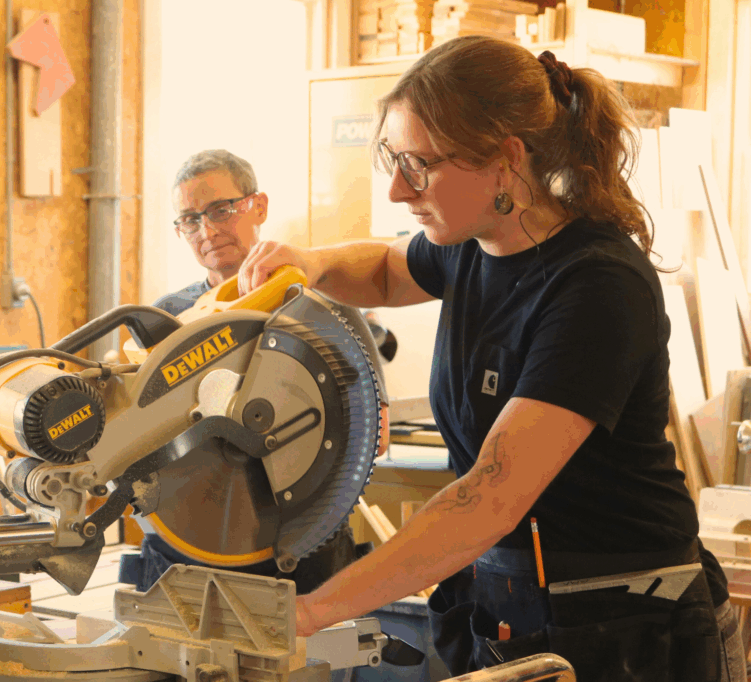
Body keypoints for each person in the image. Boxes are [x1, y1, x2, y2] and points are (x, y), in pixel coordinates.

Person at [236, 37, 744, 681]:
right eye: (392, 158)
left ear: (506, 160)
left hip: (626, 626)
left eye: (419, 165)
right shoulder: (470, 243)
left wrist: (310, 616)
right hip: (510, 603)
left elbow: (490, 497)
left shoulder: (596, 284)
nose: (396, 189)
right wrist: (312, 263)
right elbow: (389, 272)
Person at [118, 149, 391, 597]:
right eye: (189, 219)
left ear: (258, 206)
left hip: (299, 547)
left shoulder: (325, 310)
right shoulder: (166, 319)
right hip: (184, 554)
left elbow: (373, 438)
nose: (207, 231)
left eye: (221, 210)